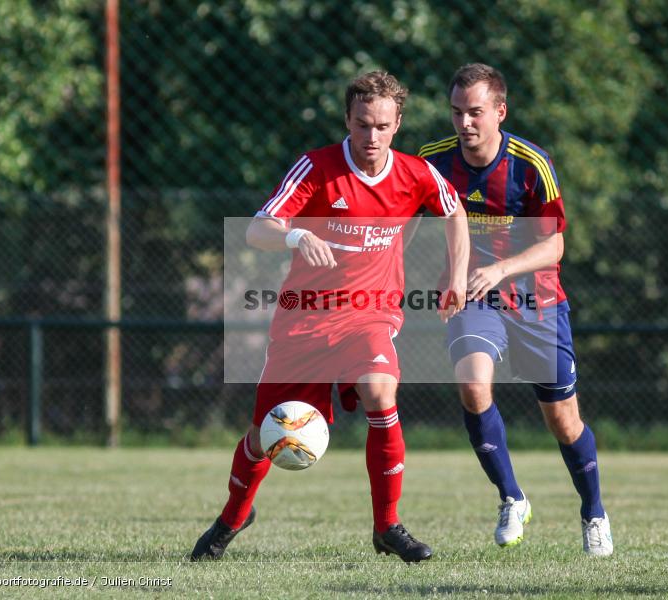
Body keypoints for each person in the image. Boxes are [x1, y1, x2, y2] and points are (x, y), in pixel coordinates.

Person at [191, 71, 469, 563]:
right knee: (265, 437)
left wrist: (457, 276)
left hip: (371, 315)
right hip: (305, 323)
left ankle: (388, 526)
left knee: (381, 392)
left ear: (398, 123)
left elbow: (453, 212)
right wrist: (297, 236)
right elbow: (259, 230)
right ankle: (234, 515)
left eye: (383, 126)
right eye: (362, 125)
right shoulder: (317, 168)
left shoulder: (414, 174)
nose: (372, 137)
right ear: (347, 119)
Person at [417, 63, 613, 555]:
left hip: (535, 300)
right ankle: (511, 496)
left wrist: (501, 269)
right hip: (473, 297)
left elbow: (554, 248)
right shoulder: (432, 161)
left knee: (563, 420)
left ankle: (593, 512)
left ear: (500, 112)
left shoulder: (531, 165)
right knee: (472, 383)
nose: (465, 123)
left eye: (476, 112)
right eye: (457, 112)